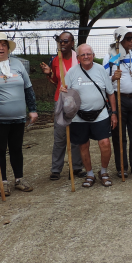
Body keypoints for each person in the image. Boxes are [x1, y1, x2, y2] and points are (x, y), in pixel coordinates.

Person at [0, 32, 38, 196]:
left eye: (4, 44)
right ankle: (3, 182)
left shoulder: (18, 64)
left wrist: (33, 109)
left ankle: (19, 179)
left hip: (18, 117)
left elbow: (28, 88)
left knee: (16, 149)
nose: (1, 47)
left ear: (8, 48)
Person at [63, 44, 118, 188]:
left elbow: (110, 93)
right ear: (78, 57)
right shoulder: (71, 72)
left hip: (100, 113)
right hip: (79, 115)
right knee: (83, 145)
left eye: (89, 54)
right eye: (83, 55)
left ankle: (104, 172)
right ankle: (90, 174)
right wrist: (63, 91)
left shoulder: (101, 70)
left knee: (105, 143)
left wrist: (114, 113)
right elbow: (66, 93)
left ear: (93, 55)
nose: (86, 57)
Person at [102, 27, 132, 178]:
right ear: (120, 40)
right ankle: (122, 167)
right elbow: (103, 80)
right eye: (128, 38)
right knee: (119, 135)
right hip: (118, 99)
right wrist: (113, 78)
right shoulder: (111, 57)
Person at [40, 31, 84, 180]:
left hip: (76, 101)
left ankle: (77, 167)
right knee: (59, 136)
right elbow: (55, 81)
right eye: (61, 41)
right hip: (60, 100)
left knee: (77, 135)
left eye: (66, 41)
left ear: (72, 43)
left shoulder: (78, 59)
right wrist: (49, 74)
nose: (63, 44)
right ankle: (56, 169)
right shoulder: (55, 60)